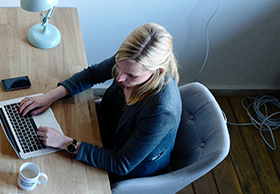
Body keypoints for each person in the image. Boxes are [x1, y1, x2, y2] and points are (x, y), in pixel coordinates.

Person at [19, 23, 182, 182]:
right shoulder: (129, 60)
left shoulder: (162, 111)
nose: (119, 78)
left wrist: (65, 143)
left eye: (131, 76)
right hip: (107, 129)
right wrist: (50, 96)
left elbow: (121, 163)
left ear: (158, 71)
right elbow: (92, 75)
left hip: (128, 167)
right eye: (118, 67)